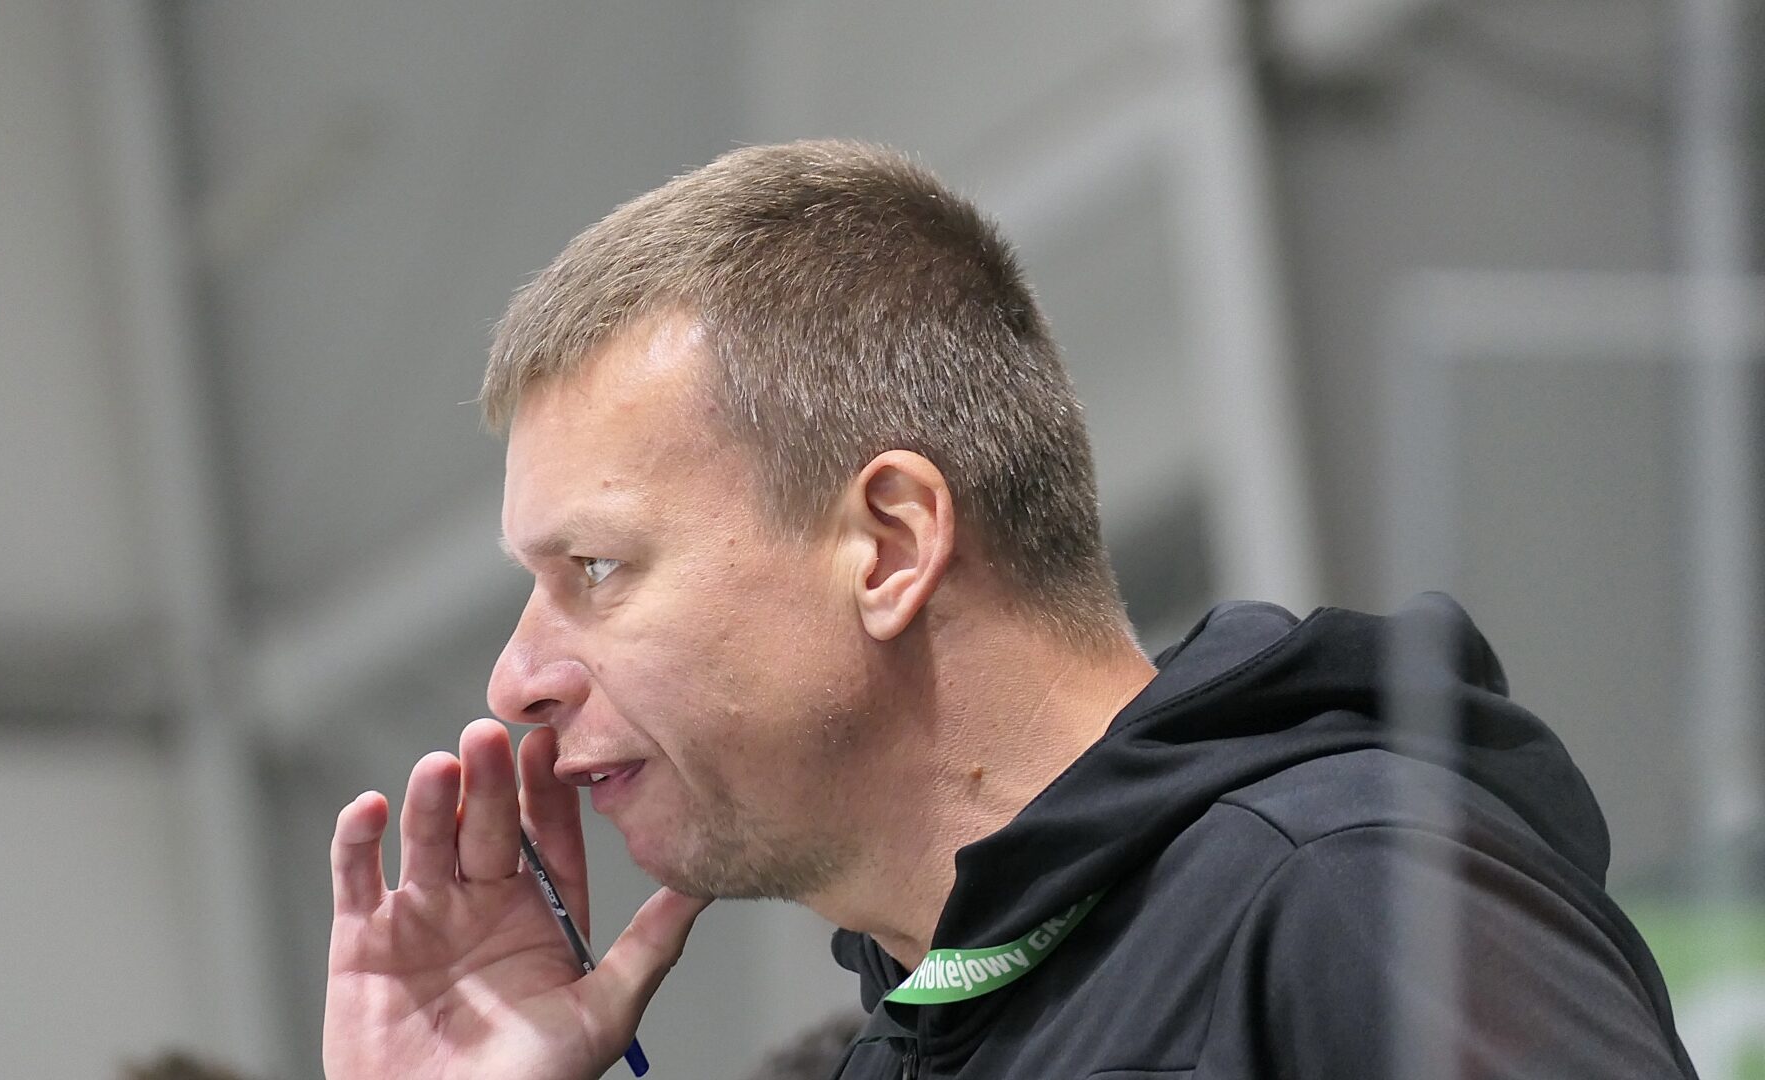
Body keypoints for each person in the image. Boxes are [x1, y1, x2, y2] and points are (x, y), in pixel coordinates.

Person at [321, 140, 1698, 1079]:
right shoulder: (918, 1040)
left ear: (889, 545)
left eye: (597, 569)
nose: (516, 677)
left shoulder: (1344, 899)